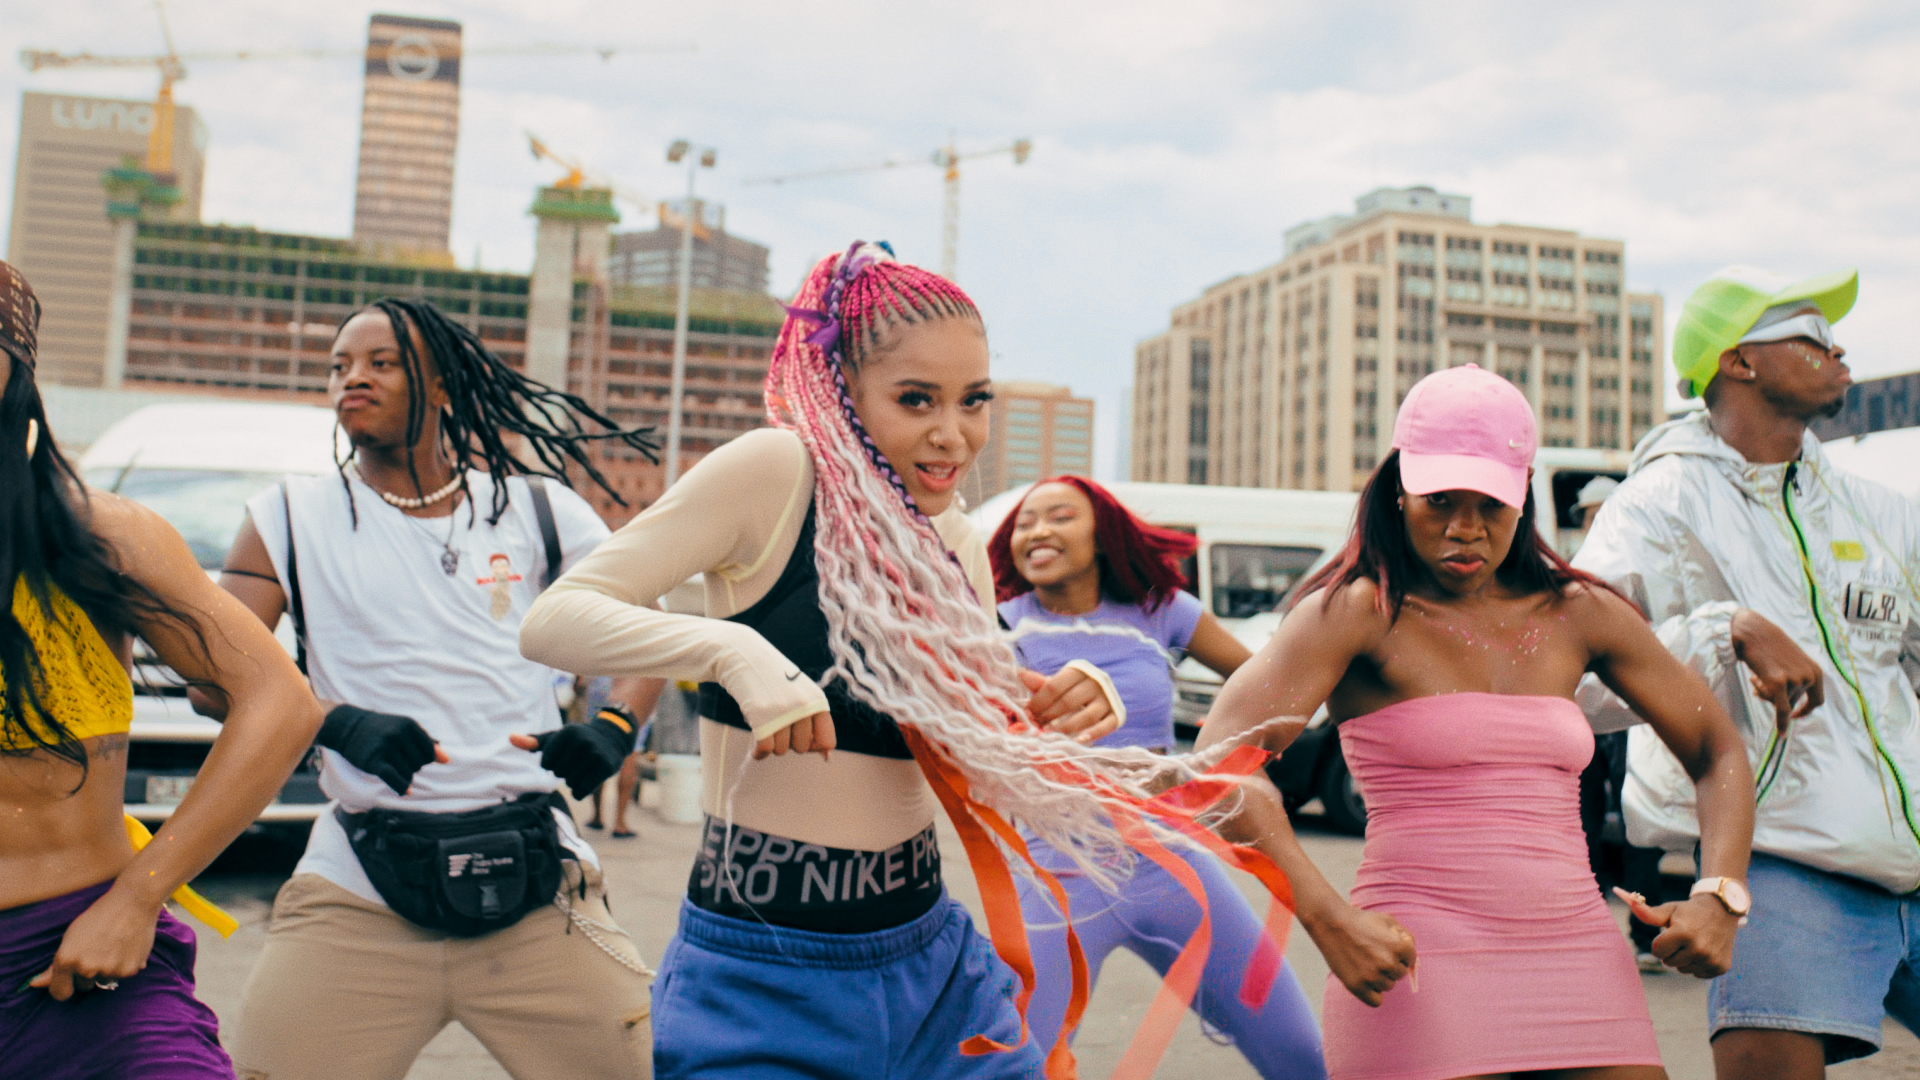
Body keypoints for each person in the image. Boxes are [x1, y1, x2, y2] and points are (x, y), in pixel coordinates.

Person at [521, 242, 1292, 1080]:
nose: (952, 435)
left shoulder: (952, 541)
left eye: (974, 400)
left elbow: (977, 742)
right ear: (840, 389)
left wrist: (1061, 703)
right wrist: (730, 649)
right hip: (762, 979)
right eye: (916, 399)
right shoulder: (776, 474)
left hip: (933, 971)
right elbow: (555, 620)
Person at [1193, 363, 1756, 1080]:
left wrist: (1720, 894)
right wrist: (1326, 916)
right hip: (1417, 958)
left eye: (1490, 502)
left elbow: (1716, 748)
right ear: (1399, 489)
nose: (1465, 528)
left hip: (1578, 953)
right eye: (1440, 501)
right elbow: (1216, 765)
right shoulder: (1357, 612)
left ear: (1523, 492)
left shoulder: (1580, 613)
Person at [190, 298, 660, 1080]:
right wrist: (331, 721)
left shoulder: (538, 509)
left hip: (541, 887)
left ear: (441, 385)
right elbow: (213, 674)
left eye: (381, 363)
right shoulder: (287, 516)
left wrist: (613, 727)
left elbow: (650, 627)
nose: (353, 379)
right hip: (358, 886)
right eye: (340, 365)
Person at [1574, 266, 1920, 1076]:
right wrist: (1722, 630)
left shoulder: (1883, 512)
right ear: (1739, 361)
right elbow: (1577, 684)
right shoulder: (1654, 506)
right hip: (1782, 863)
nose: (1839, 353)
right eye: (1812, 338)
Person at [0, 259, 323, 1078]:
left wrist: (138, 897)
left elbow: (278, 700)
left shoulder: (98, 536)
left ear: (15, 370)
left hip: (72, 961)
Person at [988, 475, 1324, 1078]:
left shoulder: (1162, 610)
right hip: (1055, 873)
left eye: (1059, 516)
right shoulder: (999, 625)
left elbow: (1266, 685)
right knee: (1020, 1069)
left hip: (1168, 861)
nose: (1036, 531)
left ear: (1102, 535)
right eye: (1024, 522)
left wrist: (1213, 766)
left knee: (1302, 1055)